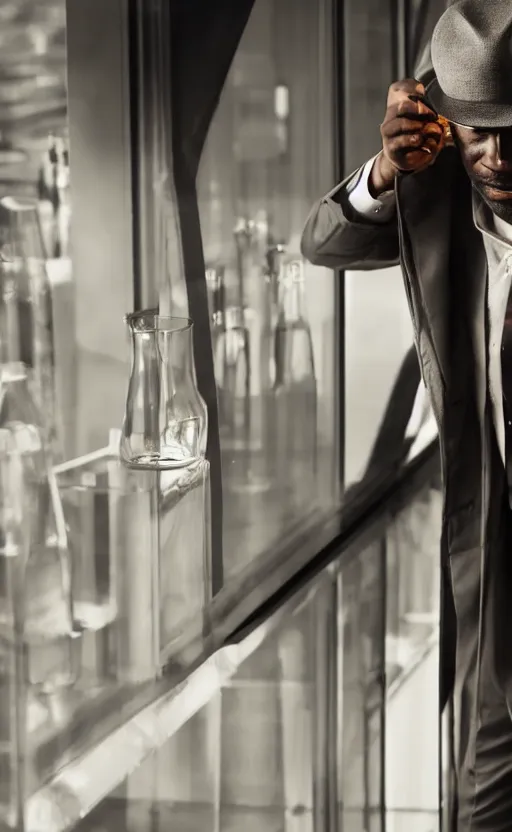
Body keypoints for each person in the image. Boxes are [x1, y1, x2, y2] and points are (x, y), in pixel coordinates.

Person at [301, 1, 512, 829]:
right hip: (496, 546)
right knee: (482, 785)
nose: (496, 155)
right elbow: (324, 239)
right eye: (477, 130)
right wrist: (386, 174)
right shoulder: (436, 187)